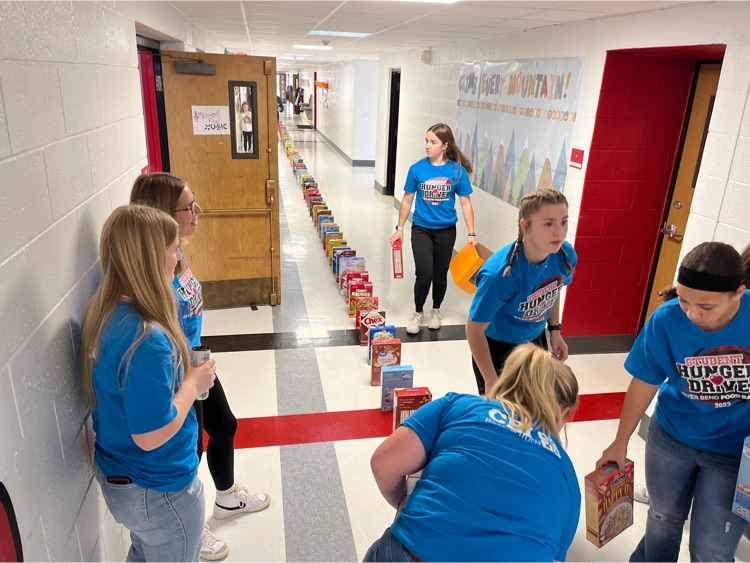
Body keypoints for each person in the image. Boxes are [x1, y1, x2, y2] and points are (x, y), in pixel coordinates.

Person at [131, 173, 271, 561]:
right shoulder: (151, 274)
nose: (199, 212)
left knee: (224, 425)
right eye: (188, 207)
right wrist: (189, 380)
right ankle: (192, 525)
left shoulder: (175, 253)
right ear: (160, 214)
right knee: (188, 449)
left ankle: (226, 498)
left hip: (195, 361)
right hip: (177, 377)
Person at [598, 241, 750, 562]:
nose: (692, 314)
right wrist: (620, 441)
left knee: (712, 548)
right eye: (684, 300)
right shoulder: (666, 320)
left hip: (733, 453)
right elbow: (644, 384)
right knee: (663, 520)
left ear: (738, 293)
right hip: (671, 439)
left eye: (705, 307)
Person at [82, 205, 217, 562]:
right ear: (150, 259)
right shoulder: (148, 340)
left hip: (121, 475)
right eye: (174, 248)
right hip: (159, 489)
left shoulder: (109, 313)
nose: (179, 256)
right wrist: (193, 384)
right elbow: (150, 434)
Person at [364, 343, 581, 562]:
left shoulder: (458, 406)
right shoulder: (568, 477)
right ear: (563, 412)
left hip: (409, 553)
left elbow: (383, 463)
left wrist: (403, 502)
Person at [466, 188, 576, 395]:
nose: (559, 231)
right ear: (525, 227)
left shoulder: (564, 254)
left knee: (534, 407)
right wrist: (490, 380)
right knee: (501, 417)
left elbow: (553, 287)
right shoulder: (499, 274)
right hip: (497, 348)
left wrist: (555, 332)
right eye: (548, 223)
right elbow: (473, 331)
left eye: (564, 221)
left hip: (534, 341)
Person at [390, 123, 476, 335]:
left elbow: (466, 203)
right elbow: (407, 200)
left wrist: (471, 233)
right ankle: (418, 312)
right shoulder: (417, 169)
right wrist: (400, 228)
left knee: (439, 274)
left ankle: (436, 310)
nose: (427, 146)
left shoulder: (457, 171)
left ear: (445, 145)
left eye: (433, 142)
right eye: (426, 141)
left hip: (446, 231)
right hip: (421, 229)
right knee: (424, 272)